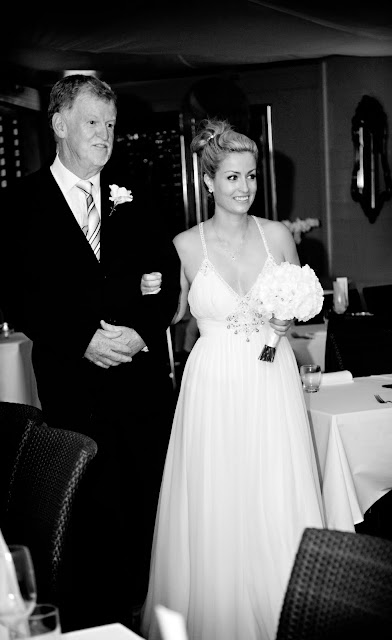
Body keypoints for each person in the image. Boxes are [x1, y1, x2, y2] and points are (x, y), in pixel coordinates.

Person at [0, 74, 181, 630]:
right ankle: (95, 622)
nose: (105, 134)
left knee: (148, 508)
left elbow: (167, 277)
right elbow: (15, 293)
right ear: (59, 125)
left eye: (111, 124)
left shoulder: (137, 192)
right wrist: (82, 338)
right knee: (84, 513)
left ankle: (147, 619)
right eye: (93, 122)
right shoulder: (19, 203)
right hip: (72, 386)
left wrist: (142, 332)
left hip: (141, 385)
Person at [140, 119, 325, 640]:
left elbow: (302, 297)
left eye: (251, 176)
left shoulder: (278, 235)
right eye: (232, 177)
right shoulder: (184, 245)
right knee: (218, 496)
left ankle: (287, 608)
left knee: (274, 489)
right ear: (208, 182)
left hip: (271, 380)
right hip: (213, 385)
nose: (244, 188)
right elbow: (172, 315)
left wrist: (290, 316)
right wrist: (146, 289)